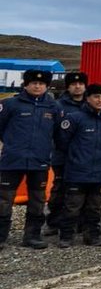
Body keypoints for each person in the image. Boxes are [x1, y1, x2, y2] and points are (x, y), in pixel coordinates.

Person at [0, 69, 61, 249]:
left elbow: (57, 133)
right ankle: (1, 236)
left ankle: (32, 236)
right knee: (4, 200)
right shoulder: (10, 104)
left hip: (39, 161)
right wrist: (13, 145)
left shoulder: (53, 107)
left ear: (46, 86)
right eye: (33, 82)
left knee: (37, 200)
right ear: (25, 84)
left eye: (41, 83)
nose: (37, 86)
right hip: (12, 161)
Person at [54, 84, 101, 247]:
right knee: (72, 206)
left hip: (100, 172)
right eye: (96, 96)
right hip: (77, 170)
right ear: (88, 98)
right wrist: (76, 157)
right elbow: (63, 142)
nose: (100, 100)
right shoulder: (75, 117)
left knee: (95, 207)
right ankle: (66, 237)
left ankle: (92, 236)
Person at [46, 70, 88, 236]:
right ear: (68, 87)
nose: (77, 87)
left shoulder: (91, 104)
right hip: (62, 156)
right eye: (73, 84)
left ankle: (80, 222)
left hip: (84, 157)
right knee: (59, 191)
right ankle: (54, 222)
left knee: (83, 191)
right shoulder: (58, 106)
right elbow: (52, 131)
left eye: (80, 84)